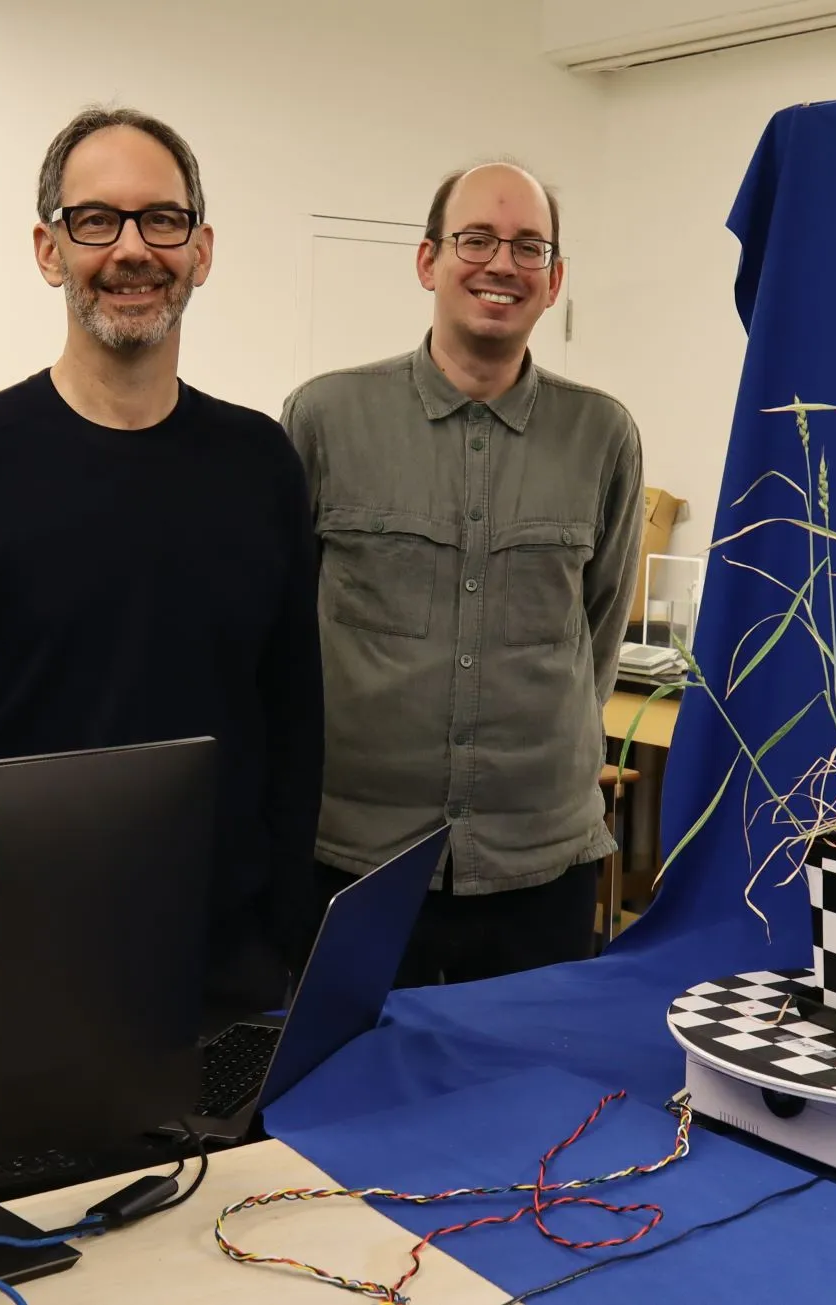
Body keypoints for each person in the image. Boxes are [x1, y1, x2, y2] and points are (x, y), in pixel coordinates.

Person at [0, 107, 322, 1013]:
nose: (132, 250)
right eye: (95, 221)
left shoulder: (260, 460)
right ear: (48, 250)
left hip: (223, 962)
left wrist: (284, 937)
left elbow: (293, 720)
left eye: (162, 220)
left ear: (201, 250)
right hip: (16, 959)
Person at [282, 162, 644, 987]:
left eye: (528, 247)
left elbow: (598, 630)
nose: (501, 264)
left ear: (553, 281)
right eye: (475, 239)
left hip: (540, 869)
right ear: (427, 262)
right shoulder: (325, 418)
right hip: (356, 865)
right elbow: (284, 633)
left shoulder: (602, 434)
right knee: (342, 1105)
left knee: (531, 1109)